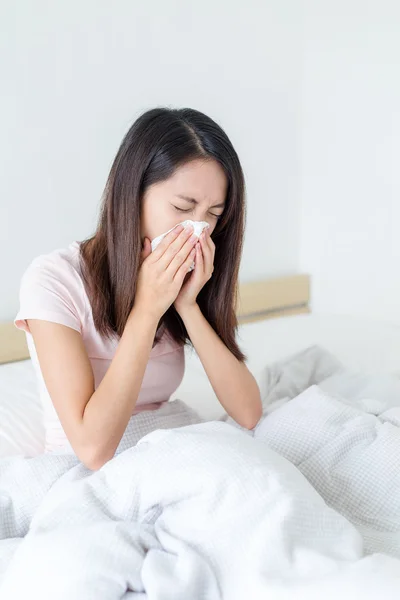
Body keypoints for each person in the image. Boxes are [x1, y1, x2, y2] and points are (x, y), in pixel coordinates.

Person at [14, 107, 262, 470]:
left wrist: (187, 306)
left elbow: (249, 413)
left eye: (213, 213)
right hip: (89, 468)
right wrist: (146, 310)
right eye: (183, 206)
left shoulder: (188, 280)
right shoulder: (54, 280)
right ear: (132, 194)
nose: (198, 228)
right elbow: (93, 449)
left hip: (172, 447)